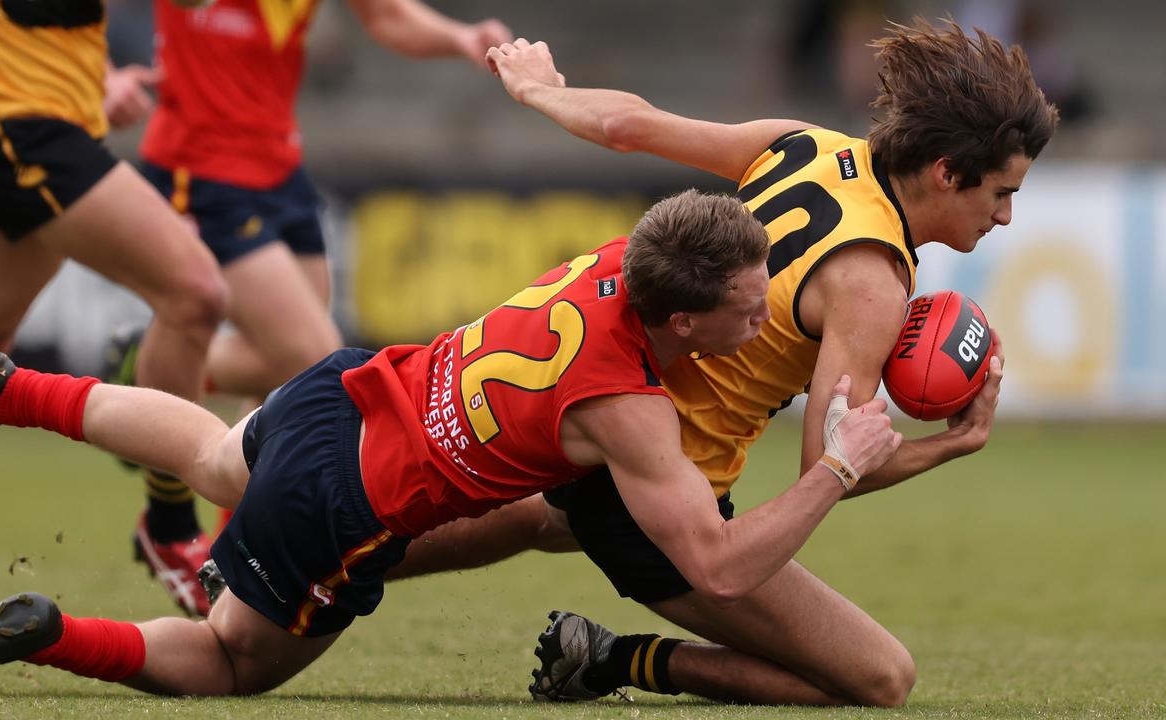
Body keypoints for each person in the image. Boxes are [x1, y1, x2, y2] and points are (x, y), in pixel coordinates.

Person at [0, 190, 901, 694]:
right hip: (345, 504)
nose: (762, 310)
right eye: (744, 303)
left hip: (347, 392)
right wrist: (838, 464)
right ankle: (43, 631)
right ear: (680, 324)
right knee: (231, 661)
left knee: (206, 452)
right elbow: (719, 570)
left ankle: (10, 389)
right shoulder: (626, 412)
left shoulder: (623, 262)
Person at [388, 19, 1057, 706]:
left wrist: (539, 91)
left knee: (532, 518)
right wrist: (954, 442)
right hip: (671, 488)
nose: (1003, 216)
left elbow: (626, 125)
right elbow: (833, 465)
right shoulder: (870, 282)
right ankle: (617, 660)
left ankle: (333, 548)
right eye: (1001, 193)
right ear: (947, 172)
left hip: (601, 428)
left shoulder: (808, 146)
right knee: (879, 678)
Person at [100, 0, 513, 618]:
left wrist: (461, 38)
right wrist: (99, 76)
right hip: (200, 169)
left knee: (282, 377)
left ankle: (216, 527)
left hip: (278, 171)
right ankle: (174, 519)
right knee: (315, 361)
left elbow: (384, 15)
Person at [0, 0, 229, 562]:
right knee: (195, 293)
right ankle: (169, 527)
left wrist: (100, 78)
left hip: (27, 124)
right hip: (17, 128)